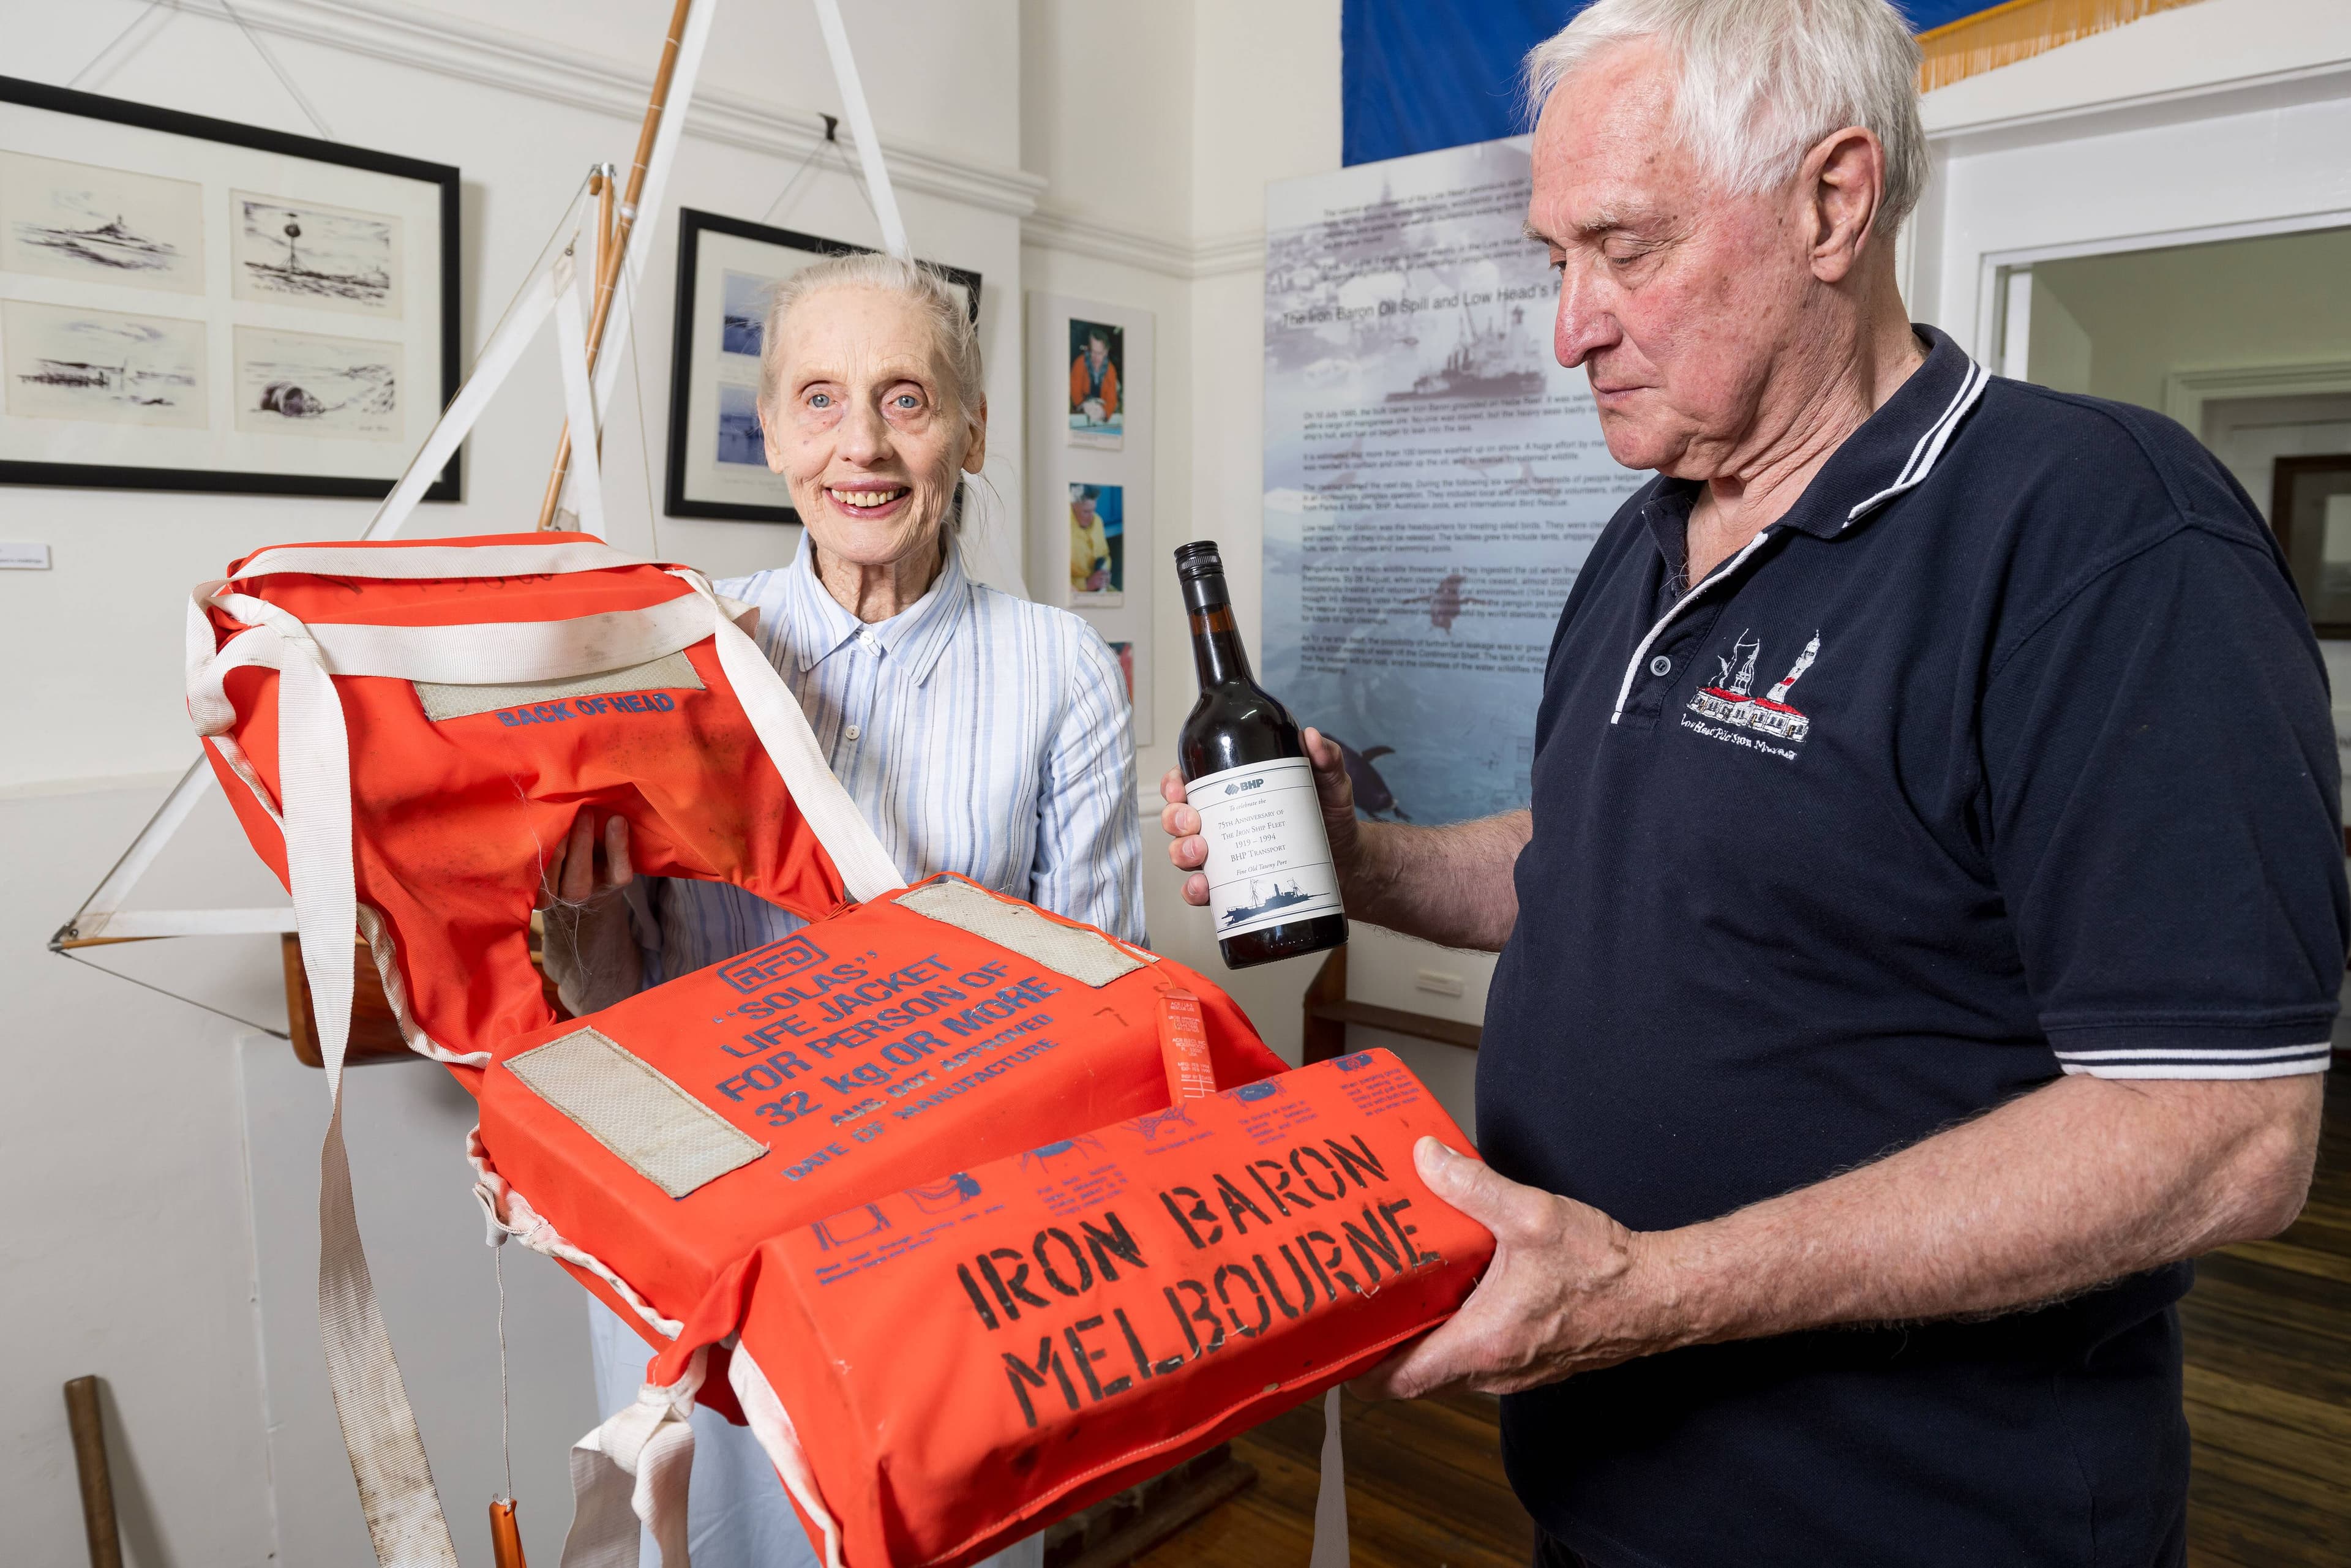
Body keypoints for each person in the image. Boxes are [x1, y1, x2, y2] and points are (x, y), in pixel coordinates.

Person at [1158, 2, 2342, 1564]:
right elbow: (1583, 855)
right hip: (1600, 1483)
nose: (1567, 325)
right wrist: (1360, 856)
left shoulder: (2098, 534)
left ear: (1831, 203)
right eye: (1550, 258)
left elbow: (2220, 1128)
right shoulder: (1645, 523)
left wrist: (1653, 1287)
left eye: (1626, 248)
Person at [544, 251, 1139, 1568]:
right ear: (772, 431)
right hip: (713, 1237)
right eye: (820, 399)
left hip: (956, 1252)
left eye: (906, 399)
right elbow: (620, 1004)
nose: (860, 444)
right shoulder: (682, 650)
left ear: (972, 430)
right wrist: (574, 919)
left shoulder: (1060, 669)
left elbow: (1104, 1010)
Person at [1070, 325, 1119, 426]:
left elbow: (1112, 398)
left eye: (1099, 353)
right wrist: (1083, 406)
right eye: (1093, 352)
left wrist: (1104, 413)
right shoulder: (1079, 363)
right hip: (1081, 414)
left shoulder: (1111, 370)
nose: (1095, 357)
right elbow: (1074, 390)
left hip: (1101, 415)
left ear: (1106, 352)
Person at [1071, 484, 1112, 591]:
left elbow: (1105, 555)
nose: (1091, 517)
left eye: (1093, 510)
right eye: (1086, 512)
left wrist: (1104, 572)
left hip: (1101, 589)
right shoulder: (1062, 528)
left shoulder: (1098, 521)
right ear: (1073, 506)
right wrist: (1086, 584)